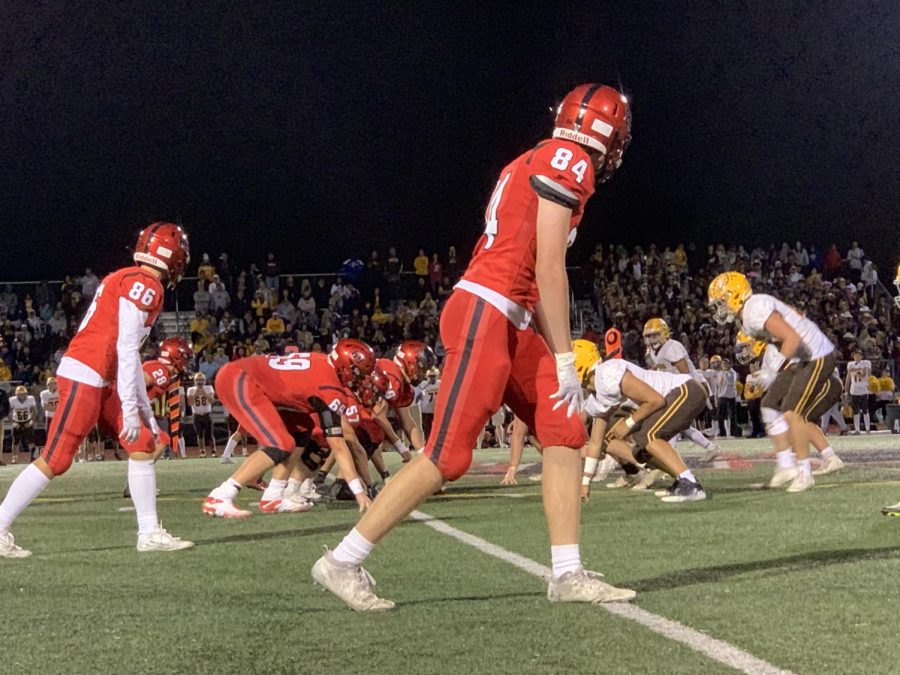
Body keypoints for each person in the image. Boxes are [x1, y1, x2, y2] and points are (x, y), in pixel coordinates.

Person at [312, 83, 634, 610]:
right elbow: (550, 265)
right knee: (448, 455)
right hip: (489, 309)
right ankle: (342, 561)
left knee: (563, 428)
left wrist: (553, 356)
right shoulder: (570, 158)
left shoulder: (538, 154)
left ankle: (567, 574)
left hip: (511, 316)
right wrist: (562, 355)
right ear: (609, 135)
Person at [0, 223, 190, 558]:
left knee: (143, 443)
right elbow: (127, 345)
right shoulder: (143, 283)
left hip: (104, 376)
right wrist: (131, 407)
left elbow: (127, 351)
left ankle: (149, 532)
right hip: (88, 372)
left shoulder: (126, 276)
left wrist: (142, 408)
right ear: (172, 257)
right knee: (56, 459)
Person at [201, 339, 376, 517]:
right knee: (279, 444)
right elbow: (338, 446)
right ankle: (221, 495)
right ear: (345, 366)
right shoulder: (330, 387)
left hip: (248, 378)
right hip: (239, 378)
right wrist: (358, 491)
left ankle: (273, 496)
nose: (359, 379)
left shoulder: (322, 361)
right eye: (357, 373)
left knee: (302, 428)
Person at [708, 271, 838, 492]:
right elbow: (793, 320)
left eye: (721, 302)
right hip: (800, 357)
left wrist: (773, 373)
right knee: (769, 404)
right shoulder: (747, 317)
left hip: (815, 354)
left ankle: (805, 474)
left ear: (735, 295)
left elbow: (792, 337)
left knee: (791, 411)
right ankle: (786, 466)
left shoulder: (753, 309)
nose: (719, 309)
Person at [735, 331, 843, 476]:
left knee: (796, 418)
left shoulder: (775, 348)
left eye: (745, 347)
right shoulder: (770, 353)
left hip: (825, 381)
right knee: (795, 419)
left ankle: (807, 464)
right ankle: (826, 457)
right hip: (816, 383)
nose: (743, 352)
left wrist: (771, 378)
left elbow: (798, 370)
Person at [642, 318, 719, 460]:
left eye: (655, 335)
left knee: (672, 423)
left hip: (690, 386)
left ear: (664, 333)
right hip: (677, 389)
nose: (652, 339)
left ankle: (668, 458)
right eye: (649, 336)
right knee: (681, 425)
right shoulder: (652, 351)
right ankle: (711, 448)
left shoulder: (672, 347)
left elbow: (684, 374)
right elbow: (658, 369)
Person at [187, 372, 217, 458]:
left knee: (210, 434)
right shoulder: (191, 389)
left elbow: (212, 401)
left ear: (205, 381)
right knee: (199, 434)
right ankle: (202, 451)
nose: (200, 382)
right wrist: (196, 393)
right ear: (194, 381)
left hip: (207, 414)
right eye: (198, 380)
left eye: (201, 380)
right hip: (196, 414)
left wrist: (203, 392)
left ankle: (213, 451)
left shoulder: (208, 388)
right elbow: (190, 403)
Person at [845, 350, 872, 434]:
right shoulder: (850, 364)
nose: (856, 357)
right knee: (855, 410)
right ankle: (857, 429)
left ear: (861, 356)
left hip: (864, 389)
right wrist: (846, 390)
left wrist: (855, 370)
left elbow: (865, 374)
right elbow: (848, 377)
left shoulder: (866, 363)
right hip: (854, 390)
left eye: (858, 355)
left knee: (865, 409)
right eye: (855, 356)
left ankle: (867, 428)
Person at [9, 386, 37, 464]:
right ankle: (14, 458)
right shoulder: (12, 400)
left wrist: (31, 422)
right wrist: (14, 423)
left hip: (27, 421)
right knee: (15, 442)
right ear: (16, 394)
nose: (22, 396)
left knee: (31, 441)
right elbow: (9, 413)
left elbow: (35, 411)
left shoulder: (30, 399)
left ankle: (32, 457)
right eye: (20, 394)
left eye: (23, 394)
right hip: (17, 422)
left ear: (26, 394)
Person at [415, 367, 441, 441]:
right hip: (426, 409)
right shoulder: (424, 384)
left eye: (433, 376)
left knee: (436, 428)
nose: (432, 378)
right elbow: (419, 395)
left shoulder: (440, 383)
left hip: (435, 409)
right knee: (426, 428)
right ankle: (427, 442)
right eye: (430, 376)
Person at [39, 377, 60, 452]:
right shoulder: (44, 393)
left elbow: (63, 405)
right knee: (50, 435)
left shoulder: (61, 392)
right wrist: (57, 408)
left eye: (52, 384)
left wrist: (53, 408)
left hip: (60, 417)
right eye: (48, 384)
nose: (50, 386)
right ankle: (51, 451)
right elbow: (45, 407)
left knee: (62, 434)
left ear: (56, 384)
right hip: (49, 417)